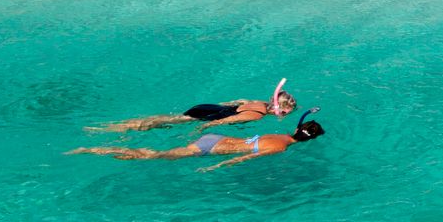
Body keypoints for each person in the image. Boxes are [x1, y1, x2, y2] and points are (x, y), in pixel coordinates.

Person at [73, 111, 325, 169]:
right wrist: (215, 166)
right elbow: (246, 157)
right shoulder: (280, 148)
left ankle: (102, 149)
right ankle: (95, 150)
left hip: (216, 137)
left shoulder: (280, 135)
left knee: (159, 154)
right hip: (210, 149)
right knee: (155, 155)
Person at [87, 79, 297, 134]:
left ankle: (122, 124)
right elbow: (225, 121)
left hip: (208, 106)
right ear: (280, 109)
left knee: (167, 118)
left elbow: (235, 102)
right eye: (287, 113)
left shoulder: (258, 102)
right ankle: (121, 128)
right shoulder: (257, 116)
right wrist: (202, 128)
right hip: (209, 114)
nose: (286, 116)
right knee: (164, 124)